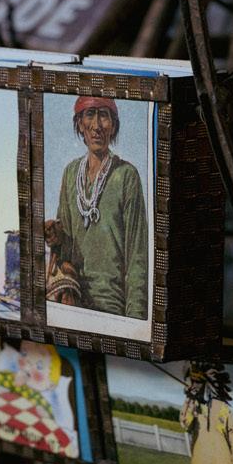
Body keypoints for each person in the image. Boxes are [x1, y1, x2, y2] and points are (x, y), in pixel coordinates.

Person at [43, 96, 148, 320]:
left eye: (104, 116)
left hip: (112, 306)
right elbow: (65, 251)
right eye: (90, 115)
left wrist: (135, 321)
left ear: (114, 125)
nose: (97, 125)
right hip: (73, 300)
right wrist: (56, 237)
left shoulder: (126, 176)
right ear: (80, 124)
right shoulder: (71, 173)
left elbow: (137, 258)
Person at [179, 364, 233, 464]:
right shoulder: (193, 406)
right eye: (193, 381)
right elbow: (185, 423)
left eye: (198, 382)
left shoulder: (223, 409)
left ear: (207, 384)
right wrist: (189, 399)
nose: (194, 385)